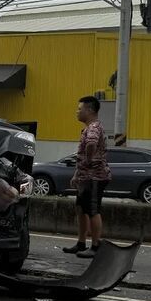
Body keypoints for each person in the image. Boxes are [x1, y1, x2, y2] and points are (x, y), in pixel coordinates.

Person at [64, 95, 110, 259]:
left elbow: (90, 144)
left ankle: (96, 246)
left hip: (95, 177)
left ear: (89, 110)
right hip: (86, 176)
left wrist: (89, 161)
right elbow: (83, 153)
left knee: (92, 210)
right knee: (81, 208)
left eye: (79, 109)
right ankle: (81, 243)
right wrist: (78, 173)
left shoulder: (93, 128)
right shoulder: (90, 127)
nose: (77, 112)